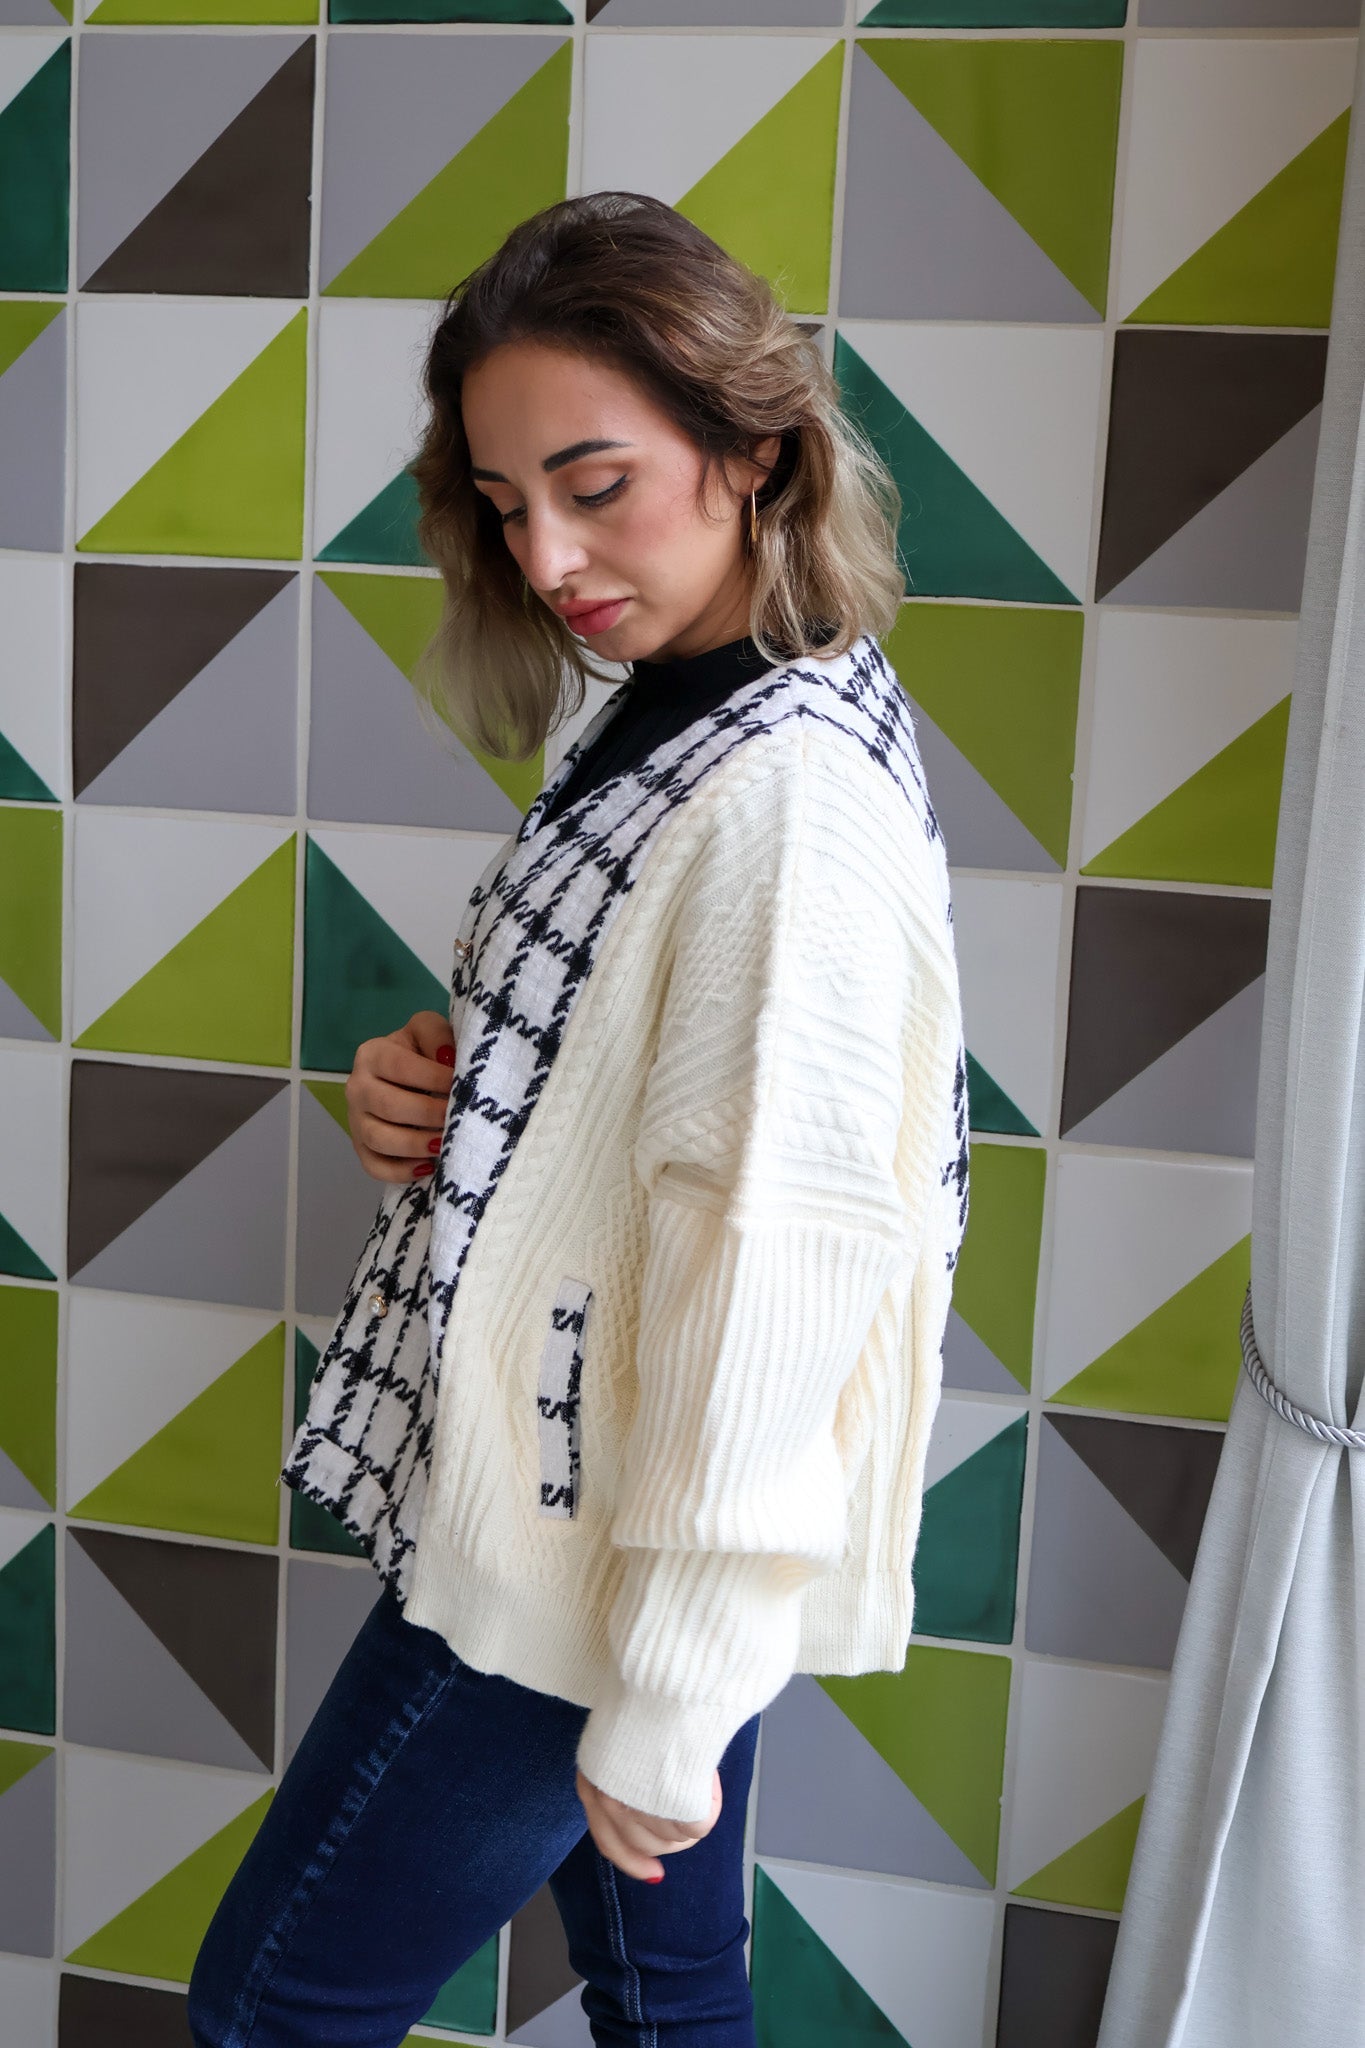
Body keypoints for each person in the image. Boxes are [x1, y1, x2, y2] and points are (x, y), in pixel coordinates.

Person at [188, 191, 969, 2048]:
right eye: (504, 498)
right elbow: (636, 1087)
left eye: (595, 483)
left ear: (751, 451)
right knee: (663, 1983)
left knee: (271, 2011)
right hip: (616, 1492)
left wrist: (678, 1685)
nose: (546, 552)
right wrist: (437, 1097)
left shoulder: (783, 806)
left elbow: (772, 1252)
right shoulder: (683, 700)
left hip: (597, 1533)